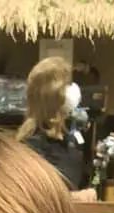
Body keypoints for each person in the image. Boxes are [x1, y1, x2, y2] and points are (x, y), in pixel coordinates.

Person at [16, 56, 97, 202]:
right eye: (68, 84)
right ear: (53, 94)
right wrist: (74, 198)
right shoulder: (31, 144)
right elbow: (32, 199)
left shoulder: (68, 138)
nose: (73, 89)